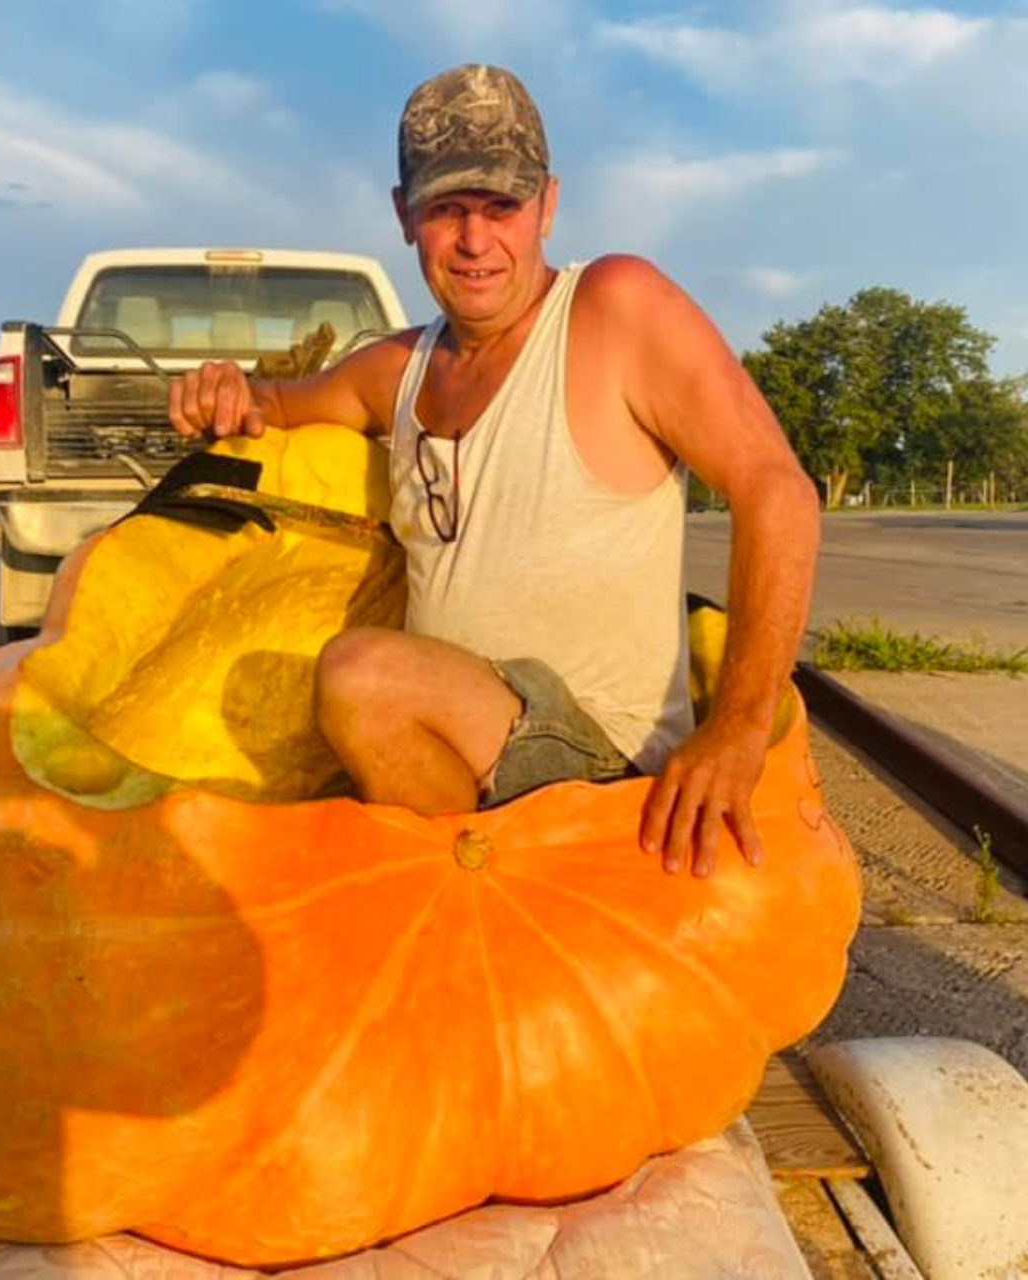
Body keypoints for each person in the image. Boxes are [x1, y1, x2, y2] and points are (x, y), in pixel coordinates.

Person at [169, 63, 820, 879]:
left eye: (501, 207)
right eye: (446, 209)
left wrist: (738, 730)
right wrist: (226, 389)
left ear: (548, 205)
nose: (476, 241)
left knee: (363, 675)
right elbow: (278, 405)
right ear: (404, 217)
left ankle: (483, 907)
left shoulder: (614, 309)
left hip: (602, 760)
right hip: (466, 747)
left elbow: (777, 490)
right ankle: (466, 912)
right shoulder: (400, 366)